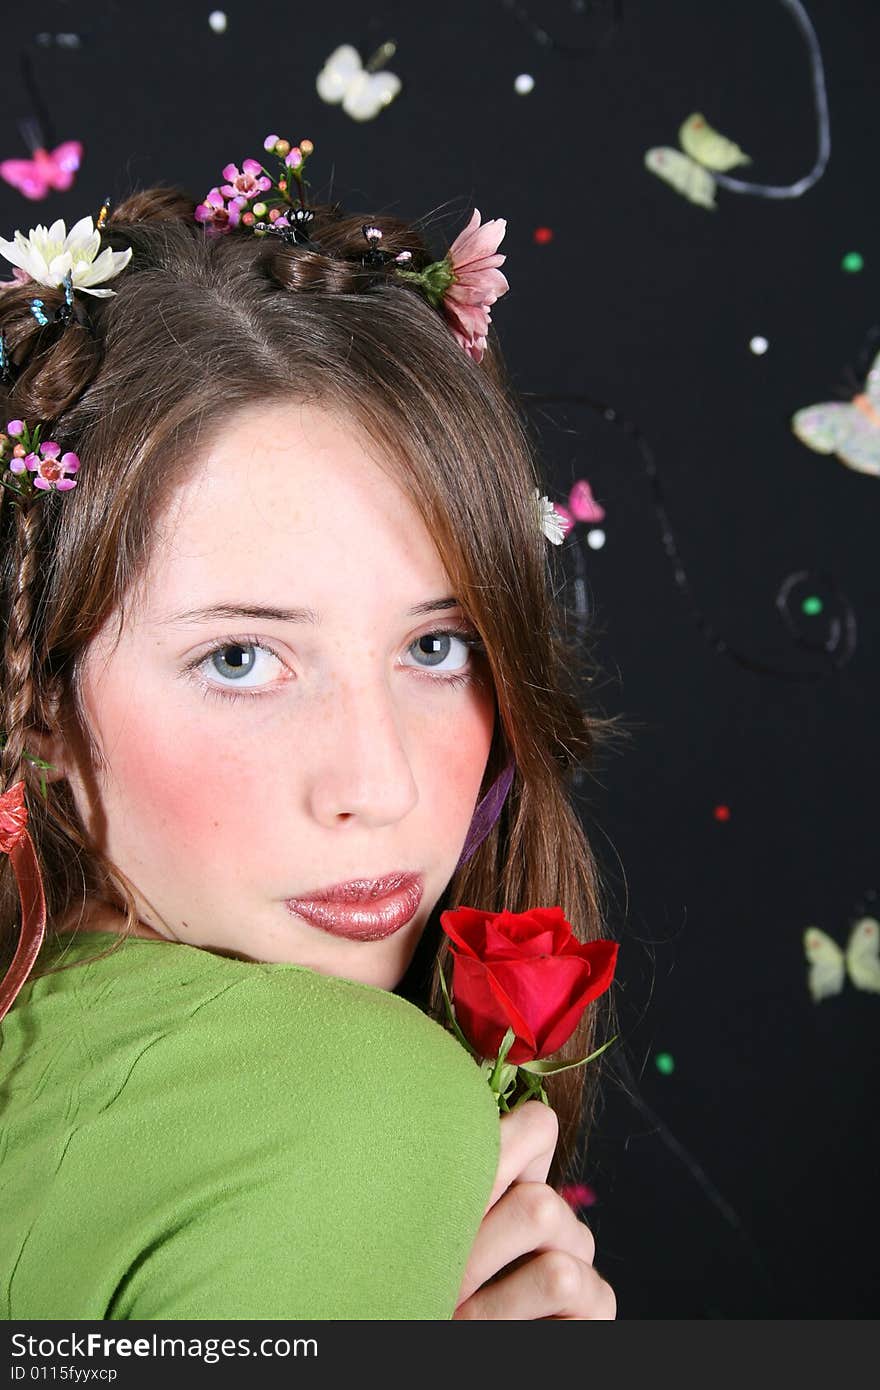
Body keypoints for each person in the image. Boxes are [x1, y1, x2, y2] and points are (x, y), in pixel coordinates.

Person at [0, 131, 621, 1320]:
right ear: (38, 707)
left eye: (437, 648)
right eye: (241, 658)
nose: (377, 784)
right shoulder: (360, 1097)